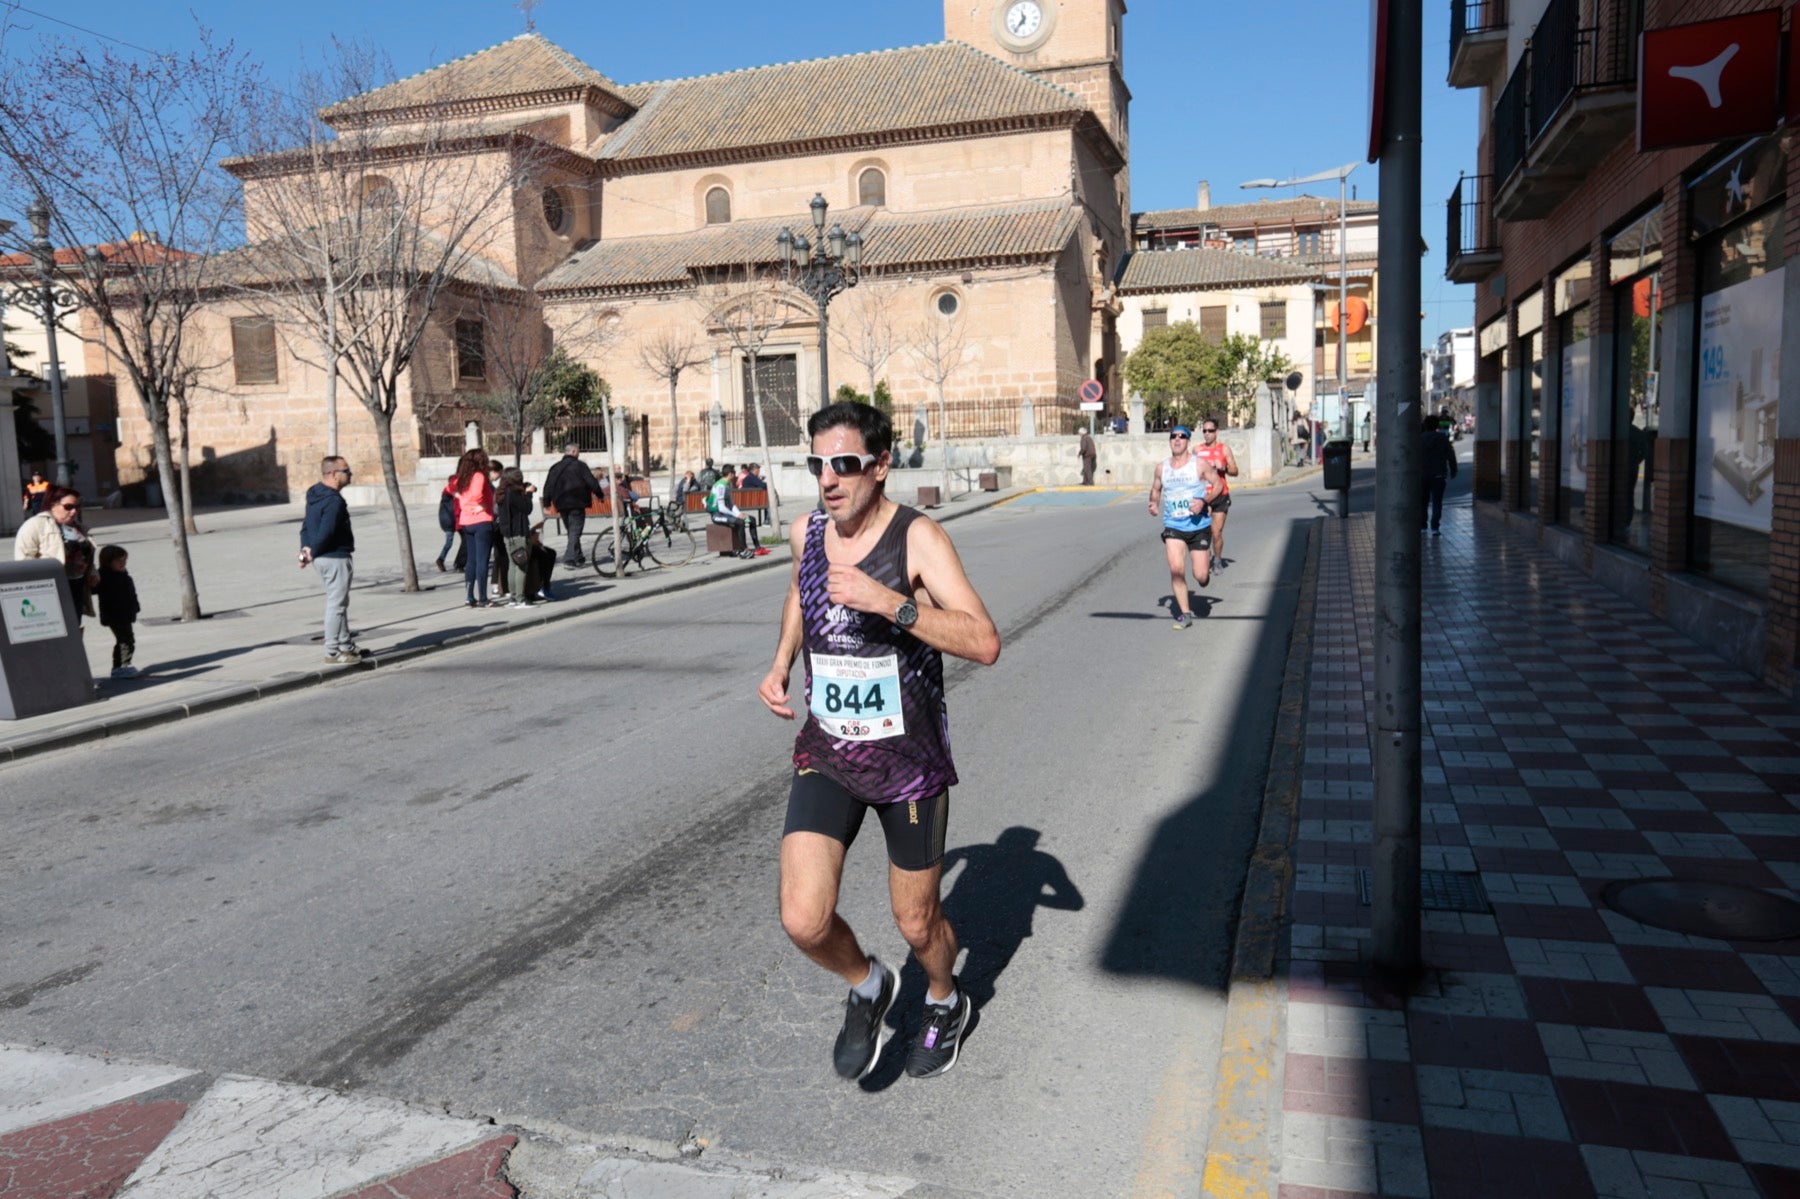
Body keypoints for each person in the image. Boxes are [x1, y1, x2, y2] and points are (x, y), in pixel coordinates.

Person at [757, 399, 1001, 1082]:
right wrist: (781, 662)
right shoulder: (806, 530)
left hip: (907, 768)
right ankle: (869, 985)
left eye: (844, 464)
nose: (828, 479)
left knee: (918, 924)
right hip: (829, 750)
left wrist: (888, 600)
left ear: (881, 464)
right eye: (817, 464)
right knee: (804, 917)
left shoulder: (916, 539)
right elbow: (801, 596)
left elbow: (983, 639)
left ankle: (947, 999)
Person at [1148, 424, 1223, 630]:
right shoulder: (1162, 467)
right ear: (1170, 441)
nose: (1177, 439)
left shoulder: (1199, 465)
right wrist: (1154, 503)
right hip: (1173, 525)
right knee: (1176, 570)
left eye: (1182, 436)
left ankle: (1204, 573)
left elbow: (1218, 485)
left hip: (1198, 525)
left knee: (1201, 576)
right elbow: (1155, 489)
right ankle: (1185, 614)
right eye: (1173, 436)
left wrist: (1204, 501)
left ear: (1188, 441)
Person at [299, 456, 358, 663]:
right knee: (337, 605)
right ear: (333, 474)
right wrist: (312, 552)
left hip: (321, 559)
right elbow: (327, 532)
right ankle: (332, 651)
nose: (350, 474)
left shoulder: (314, 494)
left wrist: (305, 553)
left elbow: (306, 527)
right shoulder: (334, 501)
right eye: (346, 471)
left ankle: (346, 646)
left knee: (339, 602)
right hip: (335, 557)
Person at [14, 485, 98, 622]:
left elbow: (86, 556)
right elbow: (24, 561)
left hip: (77, 586)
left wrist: (93, 573)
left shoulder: (79, 528)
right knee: (54, 630)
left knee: (74, 628)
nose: (74, 511)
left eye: (77, 507)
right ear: (53, 505)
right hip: (50, 589)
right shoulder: (35, 525)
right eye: (68, 507)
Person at [542, 443, 605, 567]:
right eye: (578, 451)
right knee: (575, 531)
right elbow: (592, 482)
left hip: (561, 503)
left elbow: (548, 485)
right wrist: (600, 495)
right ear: (574, 451)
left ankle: (579, 556)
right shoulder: (580, 466)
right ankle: (569, 559)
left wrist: (546, 503)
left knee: (572, 531)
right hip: (577, 502)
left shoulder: (555, 467)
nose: (579, 453)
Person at [452, 448, 497, 607]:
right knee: (482, 560)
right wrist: (479, 505)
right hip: (481, 520)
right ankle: (483, 598)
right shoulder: (479, 476)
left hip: (467, 522)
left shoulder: (463, 477)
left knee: (471, 561)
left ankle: (469, 596)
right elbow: (477, 495)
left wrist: (468, 506)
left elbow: (457, 494)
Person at [1190, 417, 1238, 565]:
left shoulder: (1224, 449)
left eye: (1210, 431)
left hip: (1220, 495)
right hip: (1202, 495)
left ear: (1217, 432)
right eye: (1204, 431)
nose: (1207, 434)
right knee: (1204, 533)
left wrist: (1224, 467)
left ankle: (1217, 559)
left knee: (1216, 532)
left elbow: (1235, 471)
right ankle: (1205, 556)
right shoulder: (1197, 450)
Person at [497, 466, 540, 608]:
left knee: (512, 565)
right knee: (521, 565)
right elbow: (527, 508)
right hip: (519, 533)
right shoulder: (514, 494)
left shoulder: (502, 493)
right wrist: (528, 494)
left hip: (507, 534)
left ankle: (513, 598)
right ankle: (520, 599)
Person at [96, 544, 141, 679]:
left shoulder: (123, 575)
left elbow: (131, 594)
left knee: (126, 639)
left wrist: (135, 606)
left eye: (124, 560)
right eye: (119, 561)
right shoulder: (104, 577)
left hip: (126, 614)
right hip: (115, 615)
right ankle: (121, 666)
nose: (123, 564)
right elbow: (94, 589)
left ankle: (122, 665)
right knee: (125, 640)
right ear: (108, 562)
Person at [706, 464, 765, 557]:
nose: (736, 475)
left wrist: (739, 513)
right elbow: (721, 507)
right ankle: (742, 549)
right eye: (734, 473)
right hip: (717, 516)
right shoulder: (721, 485)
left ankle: (757, 548)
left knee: (751, 520)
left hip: (725, 514)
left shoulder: (728, 484)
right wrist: (736, 516)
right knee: (740, 522)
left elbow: (731, 503)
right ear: (730, 474)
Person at [1421, 412, 1458, 536]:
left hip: (1422, 475)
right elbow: (1450, 455)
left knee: (1422, 501)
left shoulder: (1419, 439)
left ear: (1425, 425)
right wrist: (1453, 469)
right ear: (1437, 425)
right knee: (1437, 501)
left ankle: (1422, 525)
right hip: (1439, 475)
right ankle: (1435, 527)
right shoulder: (1442, 438)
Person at [434, 472, 459, 573]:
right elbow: (452, 510)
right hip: (450, 522)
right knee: (450, 542)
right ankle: (441, 559)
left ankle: (441, 559)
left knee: (449, 542)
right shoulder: (450, 497)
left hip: (448, 522)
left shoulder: (446, 495)